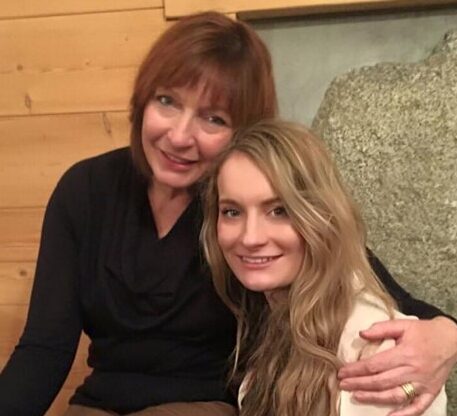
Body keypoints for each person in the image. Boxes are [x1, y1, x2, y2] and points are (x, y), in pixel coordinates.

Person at [0, 11, 455, 416]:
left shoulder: (242, 208)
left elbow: (354, 272)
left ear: (244, 132)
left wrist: (447, 336)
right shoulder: (85, 190)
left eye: (213, 119)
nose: (180, 136)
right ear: (143, 101)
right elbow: (44, 347)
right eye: (167, 101)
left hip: (204, 402)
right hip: (97, 401)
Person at [201, 119, 449, 416]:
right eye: (232, 212)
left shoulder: (371, 349)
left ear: (322, 216)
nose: (250, 237)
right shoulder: (270, 311)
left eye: (279, 211)